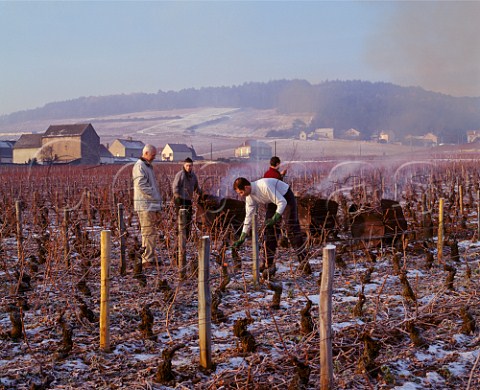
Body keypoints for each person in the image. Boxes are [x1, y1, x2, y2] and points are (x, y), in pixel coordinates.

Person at [232, 177, 309, 275]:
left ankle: (304, 264)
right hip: (272, 201)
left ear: (246, 187)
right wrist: (242, 236)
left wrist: (275, 218)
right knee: (268, 231)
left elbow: (282, 202)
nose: (241, 195)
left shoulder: (264, 186)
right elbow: (248, 217)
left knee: (292, 230)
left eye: (241, 192)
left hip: (285, 197)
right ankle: (268, 264)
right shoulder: (250, 197)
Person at [132, 144, 162, 267]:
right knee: (148, 232)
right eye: (153, 155)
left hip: (149, 204)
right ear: (146, 153)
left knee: (150, 232)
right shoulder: (140, 166)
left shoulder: (147, 166)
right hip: (145, 204)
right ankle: (147, 259)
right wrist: (154, 195)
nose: (154, 157)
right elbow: (141, 184)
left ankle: (149, 257)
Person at [172, 157, 201, 239]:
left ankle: (187, 236)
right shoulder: (180, 175)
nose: (189, 167)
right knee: (181, 219)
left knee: (188, 219)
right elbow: (175, 187)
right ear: (184, 166)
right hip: (180, 200)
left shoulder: (193, 176)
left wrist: (202, 194)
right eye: (187, 166)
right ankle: (180, 236)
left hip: (188, 200)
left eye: (191, 166)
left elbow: (196, 187)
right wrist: (177, 196)